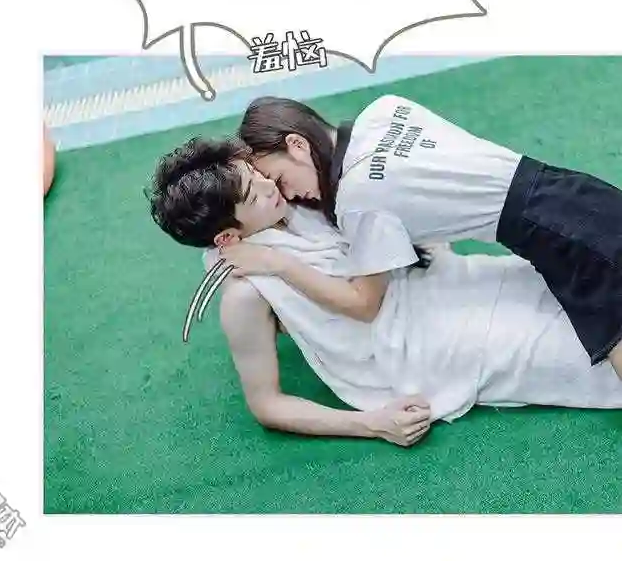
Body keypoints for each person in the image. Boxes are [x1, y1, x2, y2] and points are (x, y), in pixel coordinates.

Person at [146, 138, 622, 446]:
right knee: (586, 352)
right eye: (254, 195)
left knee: (587, 281)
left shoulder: (295, 197)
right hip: (429, 349)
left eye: (256, 175)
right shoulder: (244, 295)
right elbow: (266, 405)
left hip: (442, 282)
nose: (270, 185)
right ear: (227, 237)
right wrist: (370, 423)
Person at [236, 94, 622, 379]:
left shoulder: (357, 198)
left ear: (297, 145)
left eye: (281, 180)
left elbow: (364, 305)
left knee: (614, 338)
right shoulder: (384, 109)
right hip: (571, 189)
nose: (289, 196)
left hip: (556, 233)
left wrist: (276, 263)